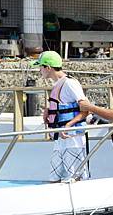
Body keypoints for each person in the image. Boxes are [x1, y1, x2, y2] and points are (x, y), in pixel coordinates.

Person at [33, 51, 90, 181]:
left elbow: (86, 108)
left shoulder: (70, 83)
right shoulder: (57, 84)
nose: (39, 70)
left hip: (73, 139)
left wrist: (68, 125)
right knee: (55, 177)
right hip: (61, 139)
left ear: (48, 67)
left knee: (74, 177)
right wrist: (49, 111)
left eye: (40, 67)